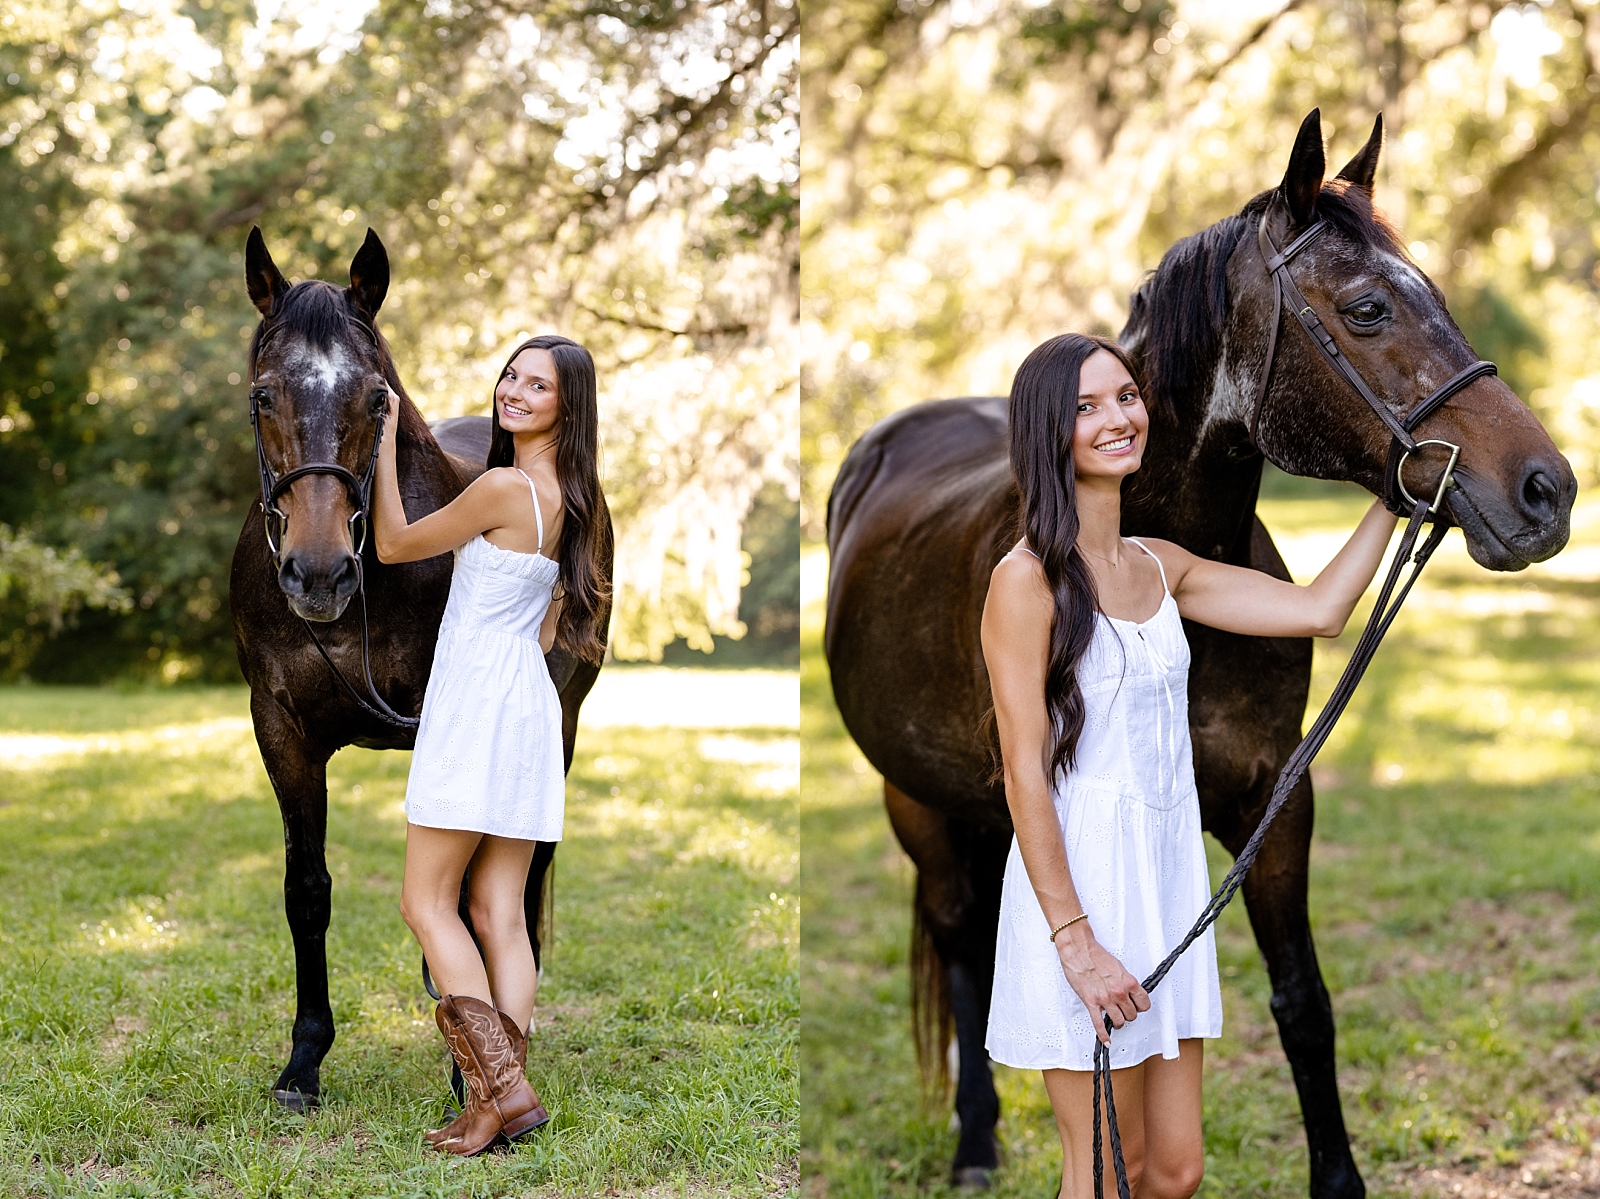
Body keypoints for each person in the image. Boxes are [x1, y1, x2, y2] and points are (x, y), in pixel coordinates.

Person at [980, 333, 1398, 1198]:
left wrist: (1397, 493)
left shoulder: (1159, 565)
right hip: (1082, 890)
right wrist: (1077, 943)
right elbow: (1024, 773)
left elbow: (1319, 608)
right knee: (1101, 1176)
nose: (1117, 417)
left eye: (1125, 396)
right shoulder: (1024, 584)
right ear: (1047, 432)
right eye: (1086, 406)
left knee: (1173, 1170)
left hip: (1166, 881)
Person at [372, 333, 609, 1156]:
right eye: (511, 374)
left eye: (536, 385)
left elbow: (396, 542)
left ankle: (502, 1092)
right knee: (499, 910)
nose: (512, 390)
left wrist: (382, 440)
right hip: (526, 701)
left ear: (564, 406)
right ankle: (499, 1101)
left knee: (426, 902)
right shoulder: (575, 498)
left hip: (475, 700)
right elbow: (547, 622)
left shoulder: (504, 485)